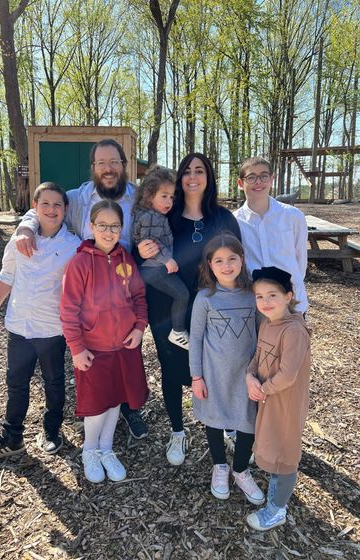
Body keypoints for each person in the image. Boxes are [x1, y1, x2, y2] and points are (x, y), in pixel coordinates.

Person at [15, 139, 149, 439]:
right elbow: (44, 207)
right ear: (93, 167)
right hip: (90, 291)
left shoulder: (139, 197)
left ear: (124, 164)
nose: (108, 169)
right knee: (97, 360)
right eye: (101, 163)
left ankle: (129, 409)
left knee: (126, 353)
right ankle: (94, 421)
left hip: (127, 284)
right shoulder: (77, 197)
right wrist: (26, 227)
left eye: (114, 162)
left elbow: (164, 211)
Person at [137, 153, 241, 466]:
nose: (192, 177)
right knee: (171, 367)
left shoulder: (223, 218)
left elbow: (237, 260)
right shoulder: (165, 214)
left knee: (216, 366)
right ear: (180, 178)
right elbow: (139, 250)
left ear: (209, 177)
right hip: (167, 306)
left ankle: (222, 423)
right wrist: (140, 249)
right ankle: (177, 431)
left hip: (213, 306)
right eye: (187, 171)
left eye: (200, 171)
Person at [0, 183, 80, 464]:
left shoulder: (74, 247)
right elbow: (6, 276)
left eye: (58, 204)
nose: (52, 209)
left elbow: (81, 289)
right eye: (45, 203)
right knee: (17, 383)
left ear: (66, 210)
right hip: (20, 326)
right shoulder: (19, 241)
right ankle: (12, 437)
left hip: (52, 330)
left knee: (54, 382)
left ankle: (53, 430)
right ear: (35, 207)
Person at [60, 201, 149, 483]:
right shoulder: (81, 262)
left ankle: (107, 448)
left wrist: (139, 328)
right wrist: (76, 346)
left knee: (115, 401)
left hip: (123, 346)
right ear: (91, 226)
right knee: (97, 404)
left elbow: (139, 297)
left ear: (121, 228)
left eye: (114, 226)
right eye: (103, 226)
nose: (109, 232)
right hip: (93, 349)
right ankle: (90, 449)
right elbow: (68, 309)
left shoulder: (126, 260)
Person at [189, 233, 264, 505]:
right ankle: (220, 466)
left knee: (247, 421)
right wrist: (196, 376)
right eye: (219, 260)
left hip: (246, 375)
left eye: (232, 258)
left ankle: (241, 469)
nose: (226, 265)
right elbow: (195, 338)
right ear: (209, 264)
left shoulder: (253, 294)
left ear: (242, 260)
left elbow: (262, 332)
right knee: (215, 418)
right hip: (214, 375)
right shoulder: (205, 298)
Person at [246, 266, 311, 531]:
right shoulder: (266, 323)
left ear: (288, 295)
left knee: (285, 452)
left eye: (272, 295)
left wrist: (263, 388)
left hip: (285, 401)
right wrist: (250, 376)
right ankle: (275, 486)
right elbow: (257, 356)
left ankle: (277, 509)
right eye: (259, 296)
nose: (265, 302)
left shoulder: (294, 331)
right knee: (271, 442)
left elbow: (287, 375)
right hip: (267, 396)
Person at [234, 156, 308, 315]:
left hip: (292, 302)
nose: (258, 182)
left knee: (293, 340)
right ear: (241, 183)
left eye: (264, 176)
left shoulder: (293, 216)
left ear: (272, 179)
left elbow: (300, 260)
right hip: (255, 306)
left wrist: (290, 288)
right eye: (251, 177)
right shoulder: (234, 222)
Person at [132, 165, 190, 350]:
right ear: (149, 196)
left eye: (171, 197)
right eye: (163, 196)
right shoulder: (153, 218)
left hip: (151, 269)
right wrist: (167, 260)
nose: (169, 201)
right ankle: (178, 331)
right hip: (154, 269)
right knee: (182, 294)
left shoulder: (147, 214)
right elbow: (151, 243)